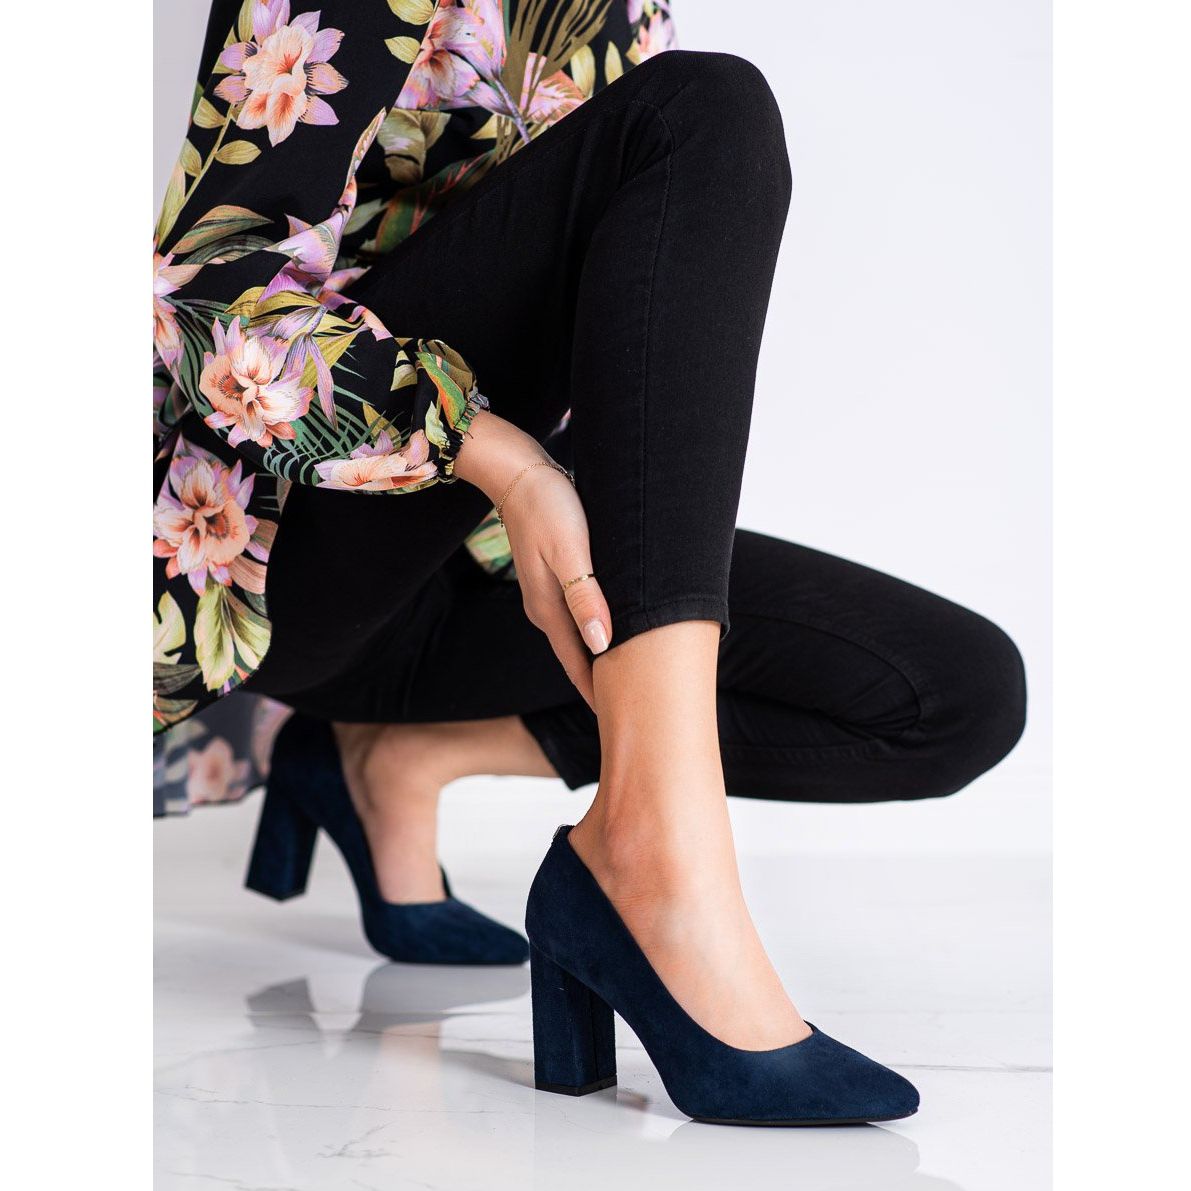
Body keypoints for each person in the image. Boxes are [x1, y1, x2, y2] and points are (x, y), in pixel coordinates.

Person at [153, 0, 1026, 1125]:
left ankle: (399, 759)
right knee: (705, 111)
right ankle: (652, 860)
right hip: (273, 554)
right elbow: (202, 296)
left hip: (467, 570)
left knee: (951, 695)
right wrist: (504, 462)